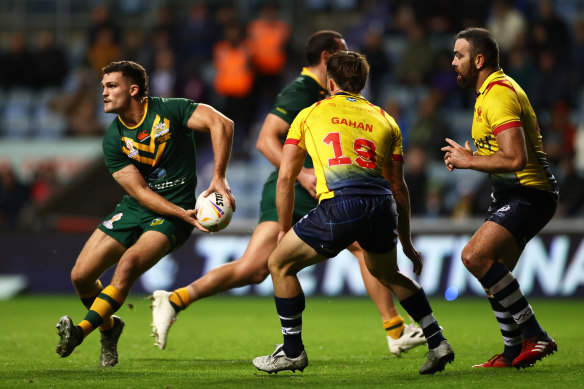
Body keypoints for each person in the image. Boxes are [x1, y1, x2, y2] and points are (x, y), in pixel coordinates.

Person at [149, 31, 426, 357]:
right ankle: (394, 329)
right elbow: (266, 139)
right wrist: (302, 173)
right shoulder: (302, 91)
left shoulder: (327, 94)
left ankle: (176, 299)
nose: (347, 57)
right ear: (326, 57)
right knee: (264, 266)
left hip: (322, 188)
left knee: (261, 267)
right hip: (296, 188)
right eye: (342, 52)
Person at [252, 50, 454, 375]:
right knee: (388, 274)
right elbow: (399, 189)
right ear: (363, 82)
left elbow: (286, 177)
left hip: (340, 203)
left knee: (279, 263)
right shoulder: (386, 119)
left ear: (329, 81)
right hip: (381, 205)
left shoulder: (309, 114)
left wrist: (283, 229)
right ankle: (437, 340)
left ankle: (292, 352)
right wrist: (407, 243)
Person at [54, 60, 235, 367]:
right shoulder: (113, 139)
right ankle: (110, 330)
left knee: (127, 266)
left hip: (173, 217)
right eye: (103, 87)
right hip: (140, 207)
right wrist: (178, 209)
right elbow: (139, 192)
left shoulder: (171, 110)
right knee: (81, 276)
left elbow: (223, 124)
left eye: (111, 86)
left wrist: (218, 177)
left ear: (133, 89)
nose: (104, 94)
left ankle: (81, 332)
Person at [444, 27, 559, 368]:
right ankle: (512, 352)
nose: (453, 62)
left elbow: (515, 159)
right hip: (514, 193)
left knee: (473, 257)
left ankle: (536, 336)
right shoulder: (487, 94)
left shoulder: (498, 94)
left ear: (479, 60)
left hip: (529, 191)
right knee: (495, 275)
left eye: (459, 56)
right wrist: (474, 156)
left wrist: (469, 161)